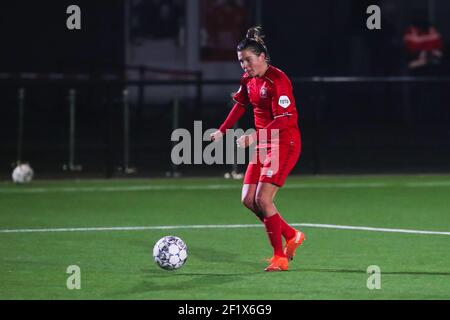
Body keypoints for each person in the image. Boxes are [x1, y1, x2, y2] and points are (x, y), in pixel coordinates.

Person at [210, 26, 305, 271]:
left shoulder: (278, 80)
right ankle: (292, 234)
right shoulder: (248, 80)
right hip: (264, 143)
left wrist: (254, 137)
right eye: (241, 61)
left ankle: (279, 258)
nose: (244, 65)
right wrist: (223, 129)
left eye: (248, 60)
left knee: (262, 199)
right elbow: (241, 105)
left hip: (284, 142)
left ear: (262, 57)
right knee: (248, 200)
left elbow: (285, 119)